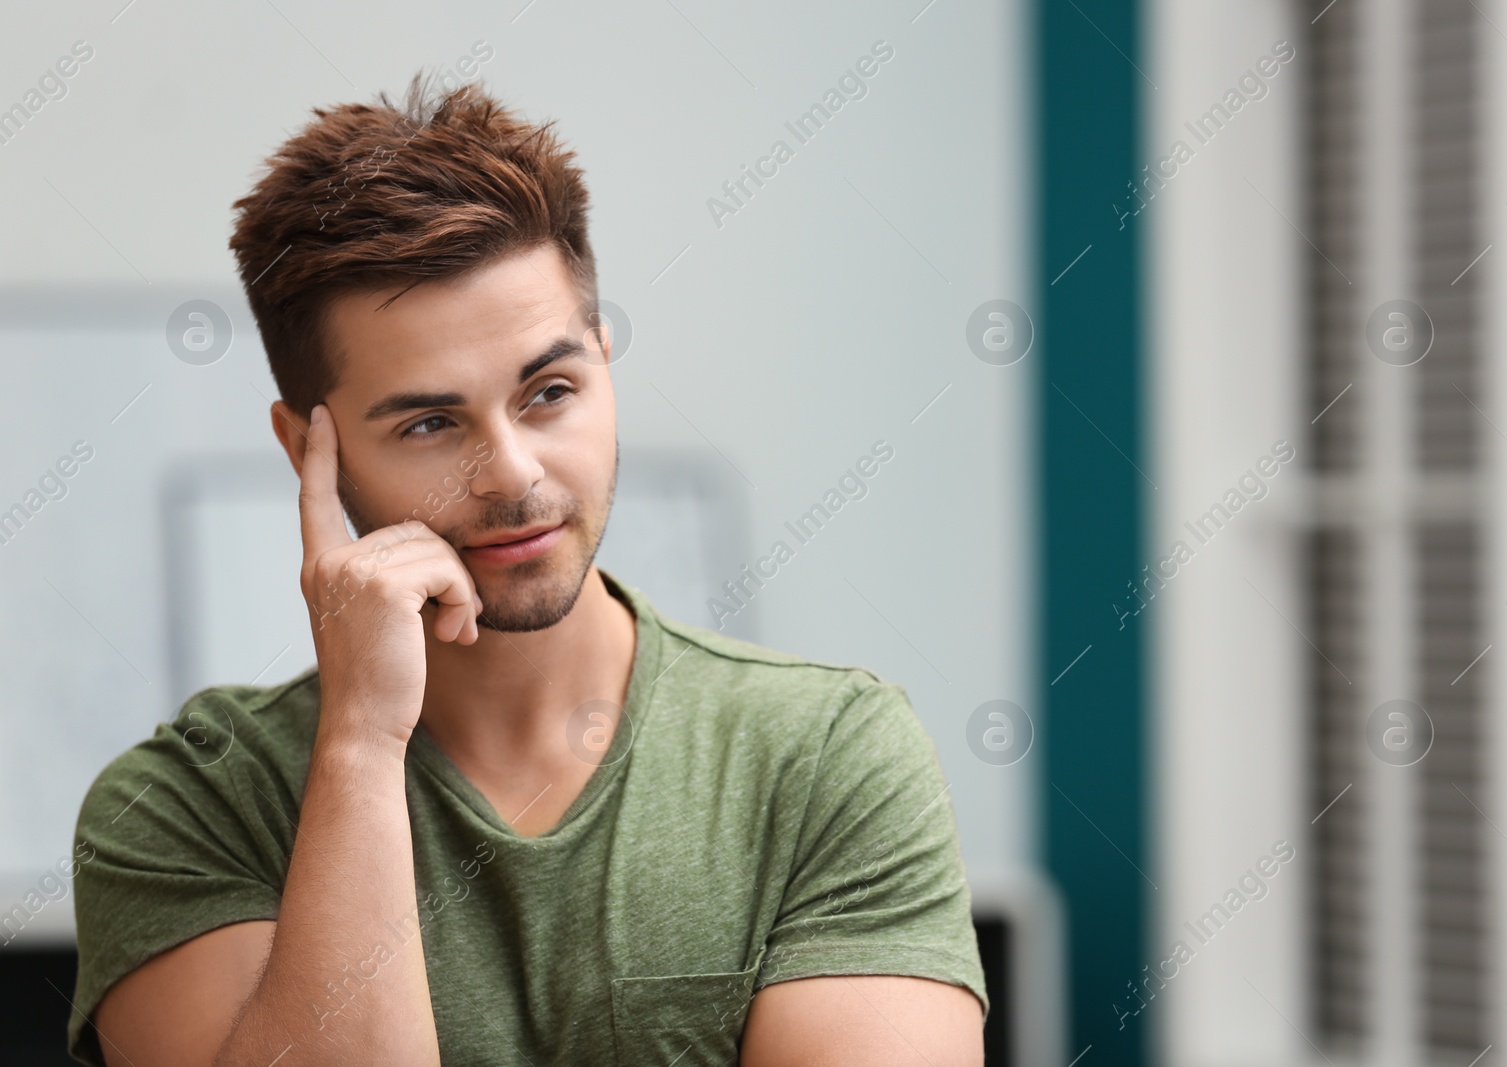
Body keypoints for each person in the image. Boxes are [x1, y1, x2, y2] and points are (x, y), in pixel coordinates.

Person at [66, 70, 986, 1066]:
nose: (511, 472)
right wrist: (362, 746)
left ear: (603, 359)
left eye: (549, 390)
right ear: (307, 450)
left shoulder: (824, 758)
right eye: (428, 422)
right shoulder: (190, 804)